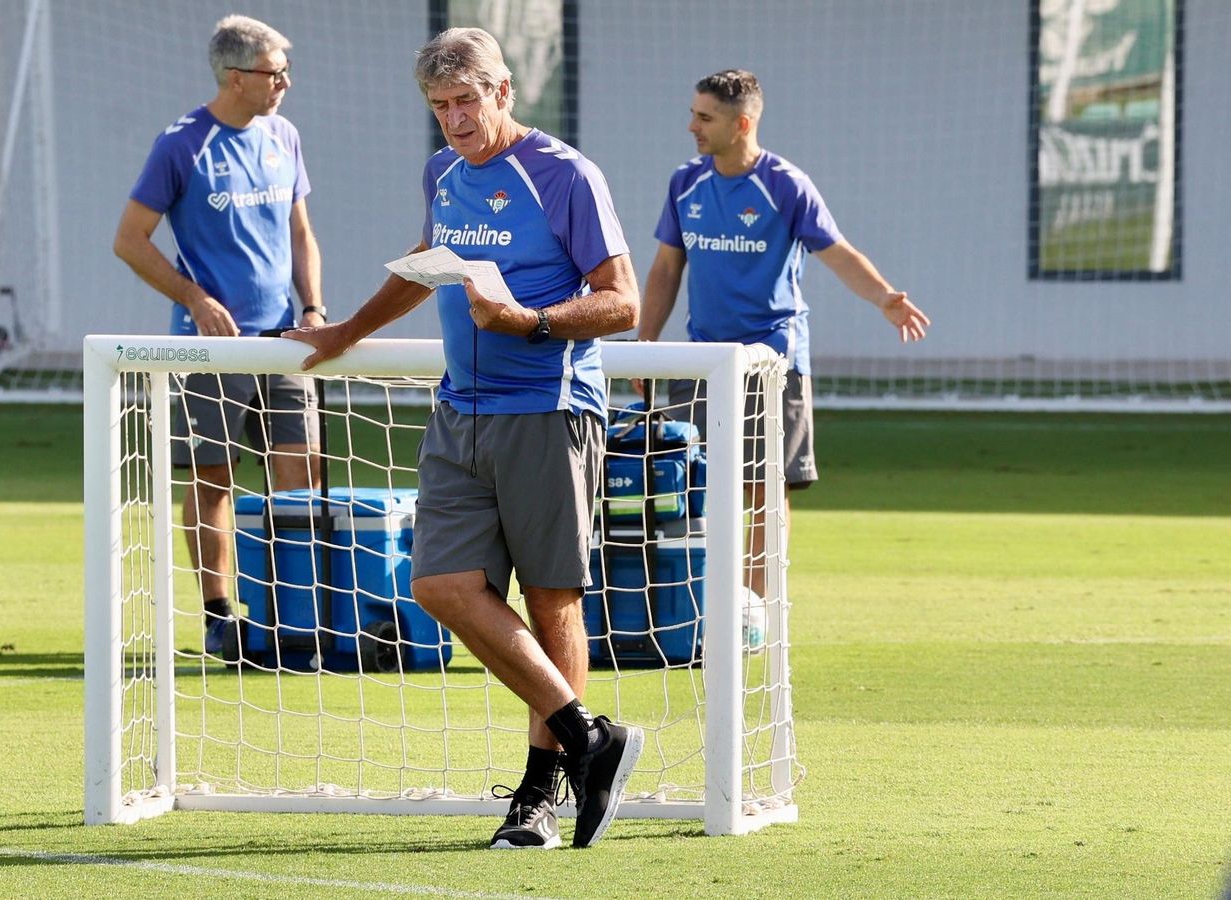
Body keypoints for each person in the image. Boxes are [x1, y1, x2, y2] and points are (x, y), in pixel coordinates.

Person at [284, 27, 643, 851]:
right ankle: (593, 742)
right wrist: (347, 329)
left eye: (465, 102)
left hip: (548, 410)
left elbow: (620, 302)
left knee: (552, 600)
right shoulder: (443, 172)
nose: (453, 121)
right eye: (439, 107)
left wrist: (531, 320)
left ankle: (537, 798)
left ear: (503, 93)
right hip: (458, 411)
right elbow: (429, 259)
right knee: (440, 585)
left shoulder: (563, 175)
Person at [638, 69, 931, 598]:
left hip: (773, 361)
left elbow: (836, 252)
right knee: (689, 483)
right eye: (693, 114)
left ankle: (754, 613)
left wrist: (884, 296)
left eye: (704, 117)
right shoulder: (686, 181)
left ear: (741, 123)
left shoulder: (786, 185)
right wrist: (645, 345)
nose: (692, 127)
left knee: (763, 488)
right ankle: (692, 607)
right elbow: (665, 269)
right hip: (699, 361)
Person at [113, 15, 324, 656]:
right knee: (213, 479)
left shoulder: (283, 135)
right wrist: (195, 298)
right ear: (236, 78)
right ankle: (220, 614)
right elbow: (129, 240)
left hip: (286, 340)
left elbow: (300, 234)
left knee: (302, 474)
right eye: (274, 71)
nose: (285, 81)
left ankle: (299, 609)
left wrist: (314, 308)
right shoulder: (181, 144)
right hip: (210, 348)